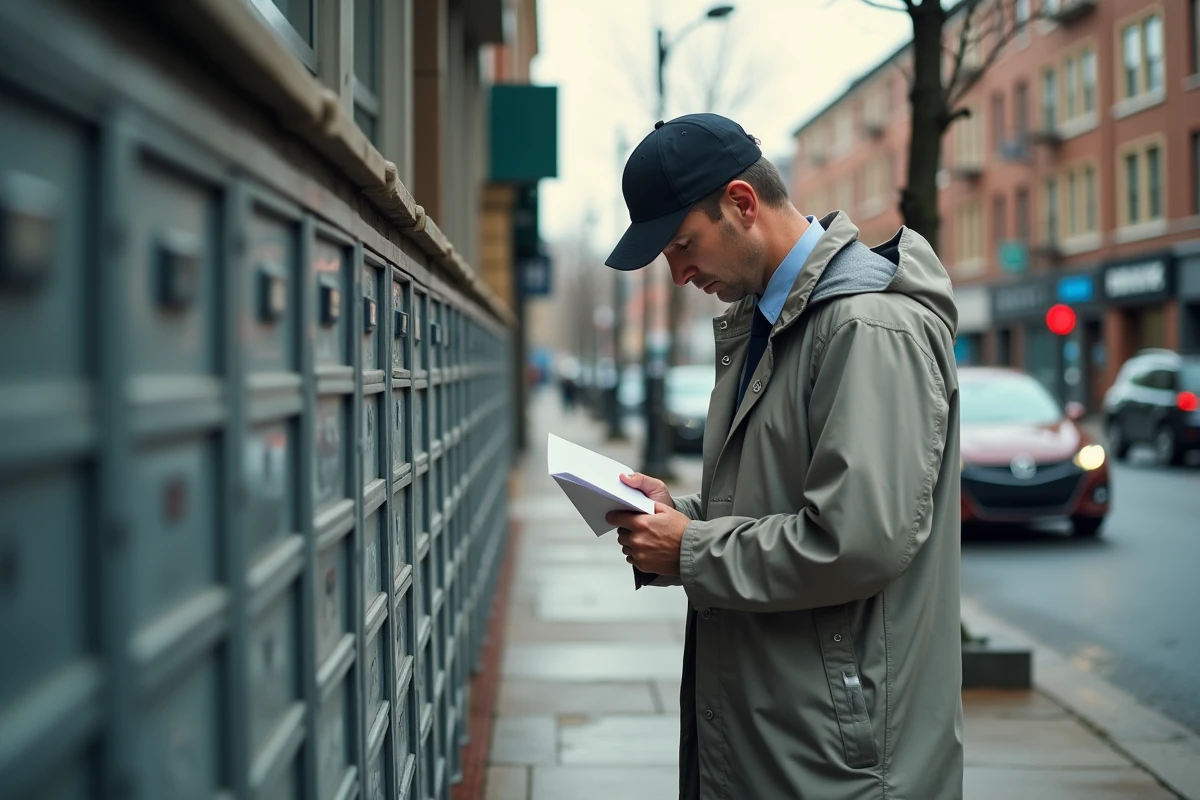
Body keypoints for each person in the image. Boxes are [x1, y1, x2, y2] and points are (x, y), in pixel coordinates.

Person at [603, 113, 963, 800]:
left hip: (841, 762)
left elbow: (857, 540)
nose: (678, 274)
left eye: (683, 244)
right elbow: (782, 503)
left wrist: (691, 550)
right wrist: (680, 516)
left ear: (742, 203)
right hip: (786, 738)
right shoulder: (777, 323)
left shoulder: (865, 324)